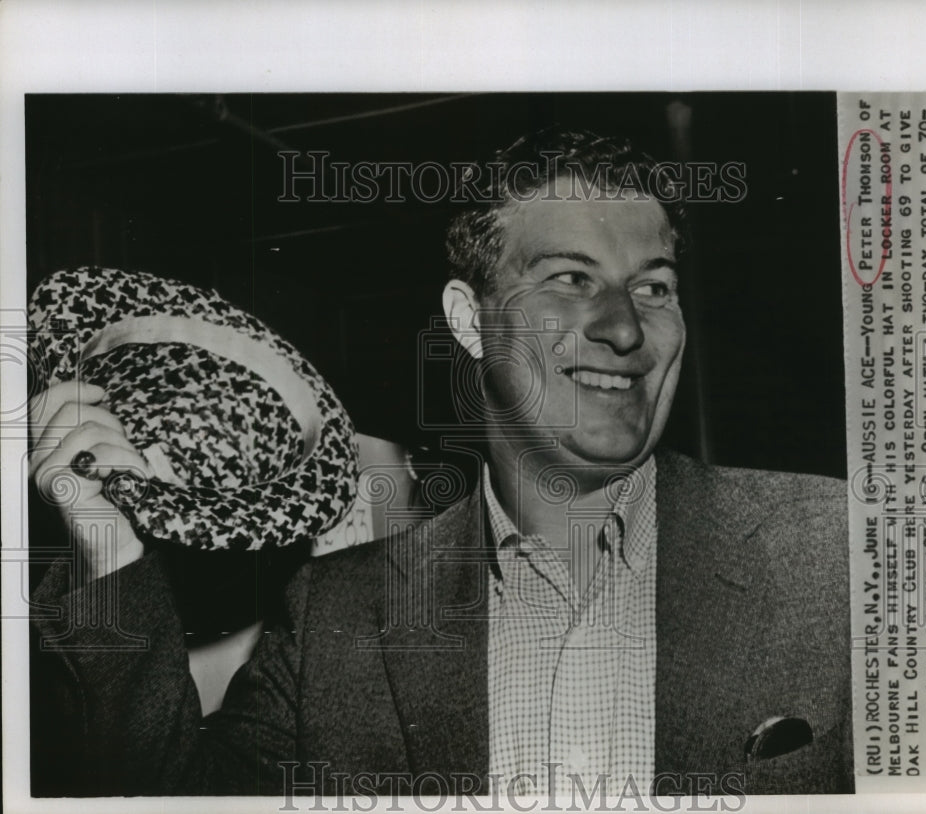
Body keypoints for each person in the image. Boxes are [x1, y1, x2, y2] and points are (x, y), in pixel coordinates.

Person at [29, 128, 853, 800]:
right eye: (571, 278)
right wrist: (107, 546)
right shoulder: (337, 613)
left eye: (655, 288)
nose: (625, 328)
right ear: (467, 319)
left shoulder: (841, 551)